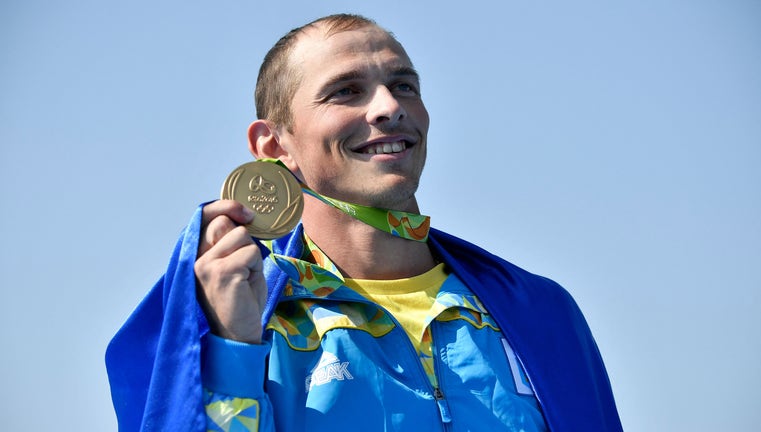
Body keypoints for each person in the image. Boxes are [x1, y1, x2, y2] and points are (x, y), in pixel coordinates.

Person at [106, 13, 622, 432]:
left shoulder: (538, 312)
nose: (389, 107)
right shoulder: (252, 322)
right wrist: (233, 350)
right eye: (346, 91)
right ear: (273, 146)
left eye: (403, 85)